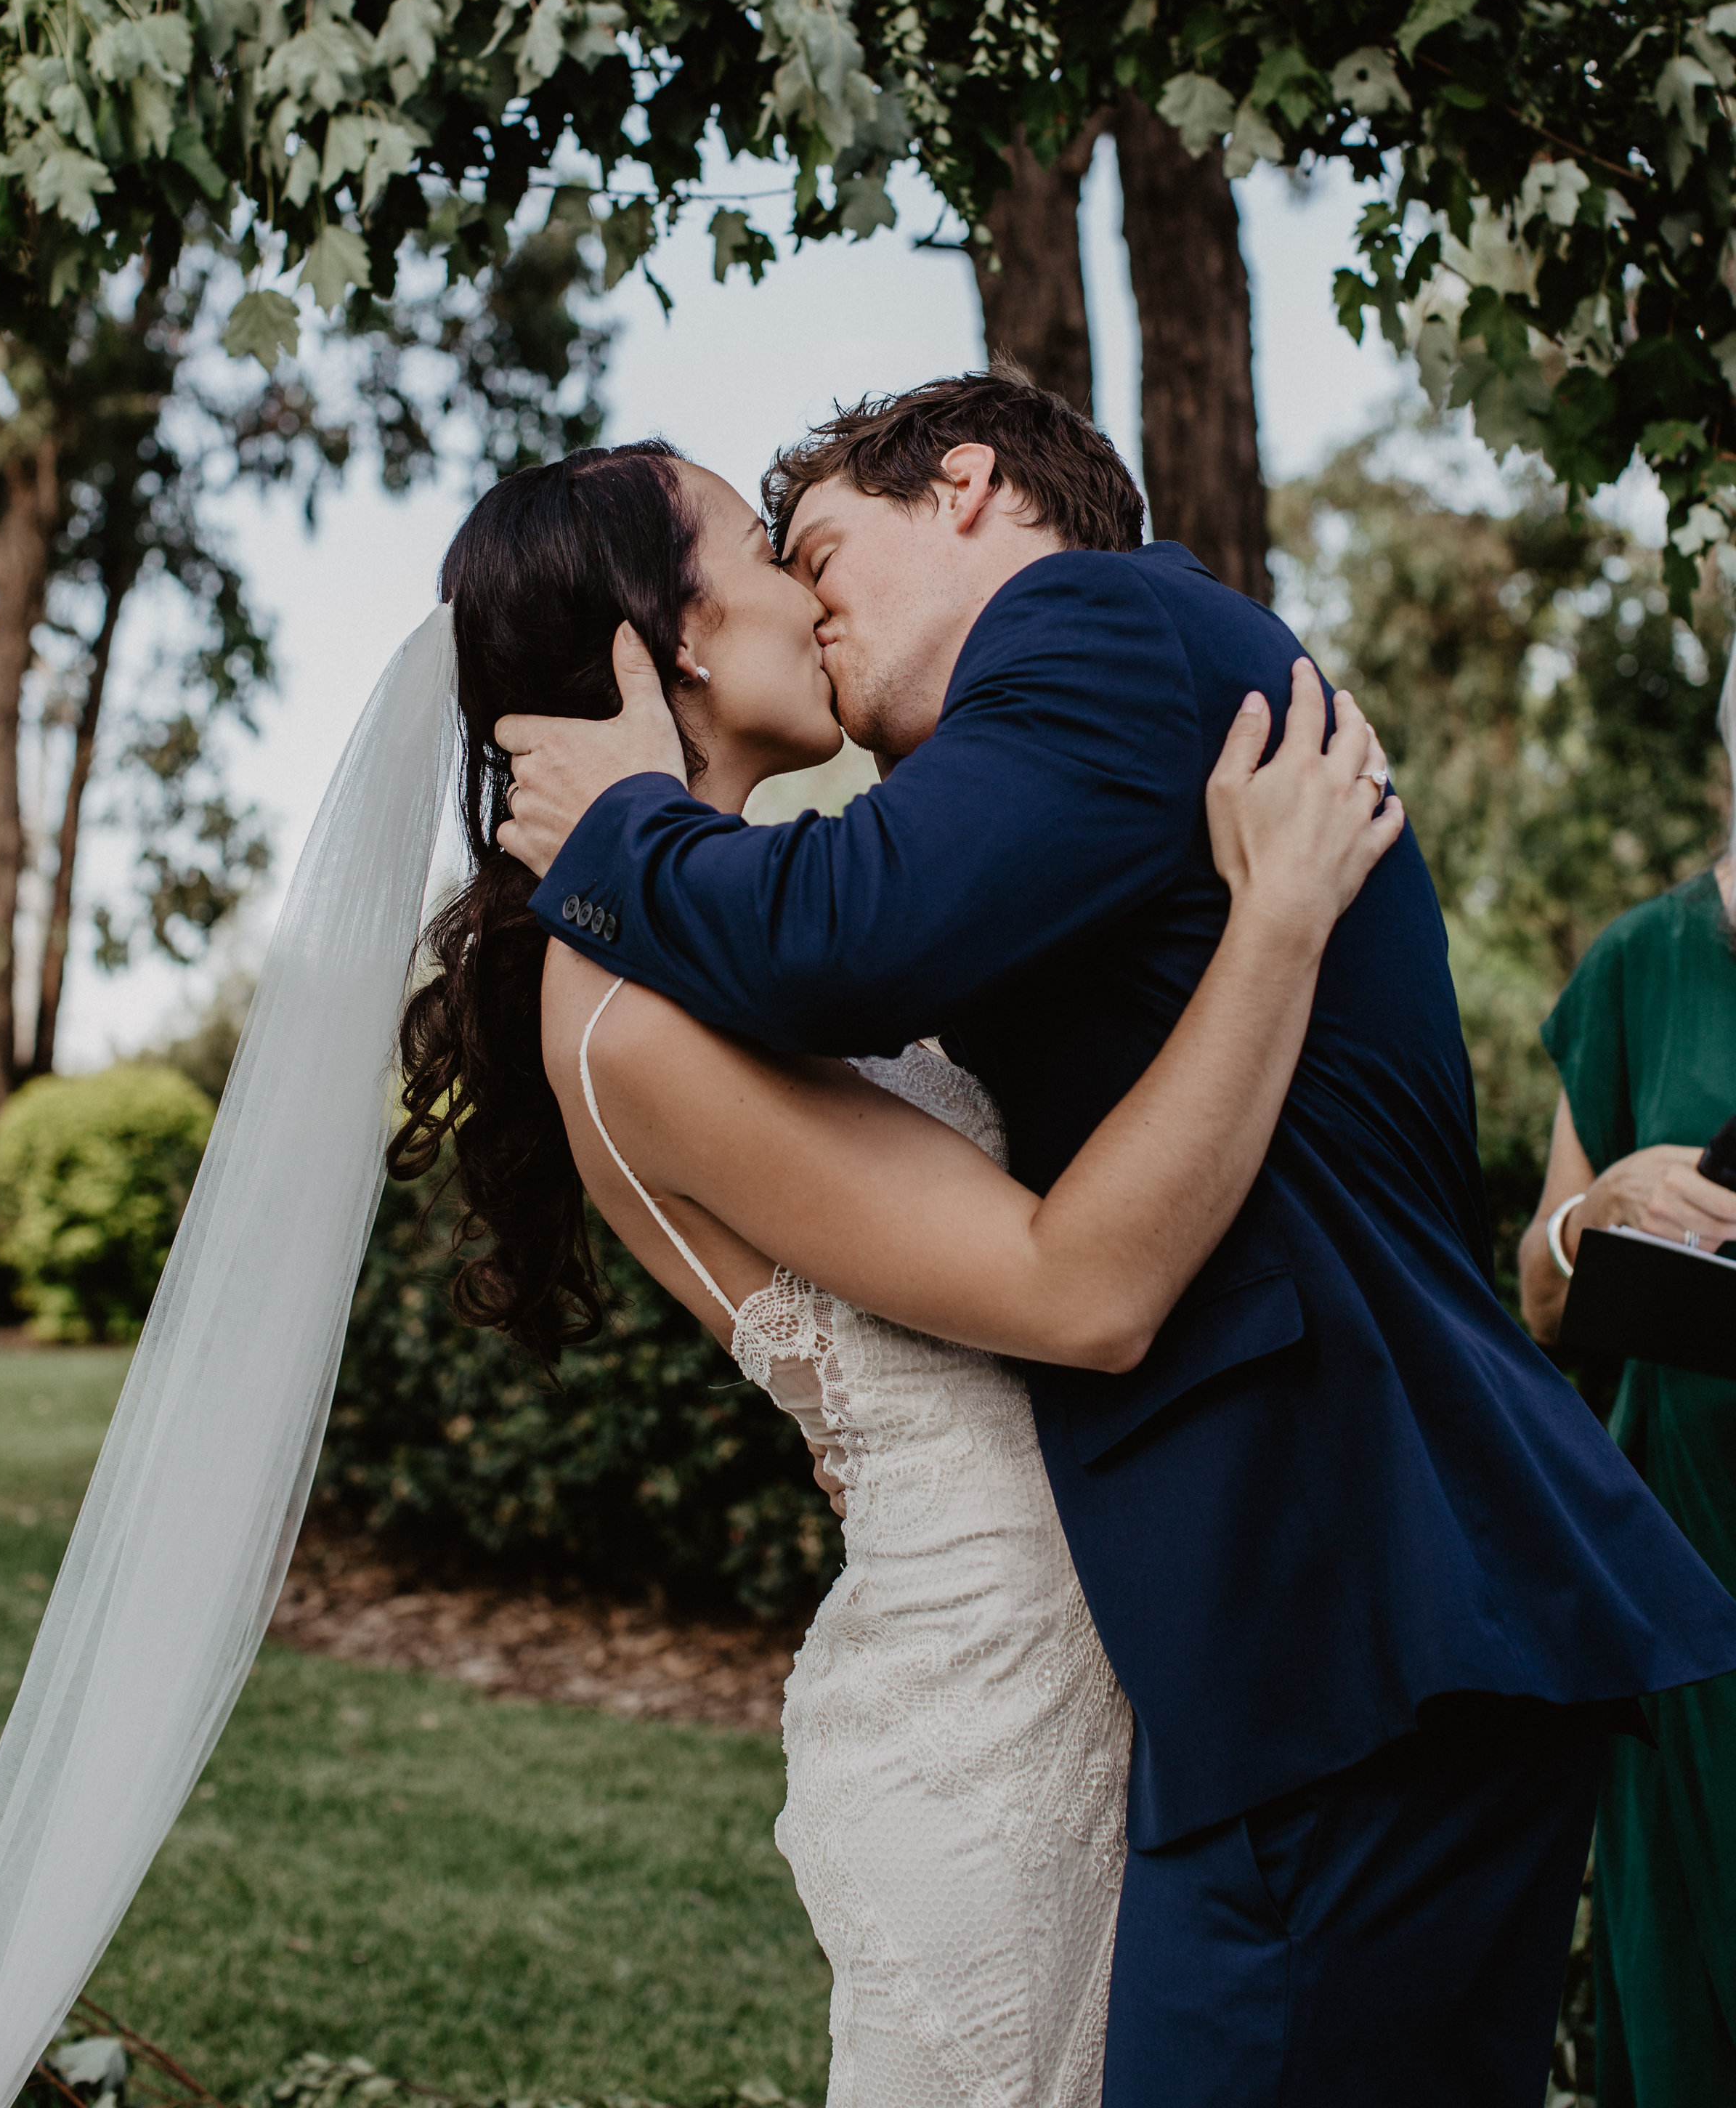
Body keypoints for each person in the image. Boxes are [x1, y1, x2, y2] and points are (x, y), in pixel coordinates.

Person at [496, 369, 1736, 2108]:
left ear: (977, 491)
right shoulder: (1058, 792)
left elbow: (844, 938)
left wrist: (623, 825)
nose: (807, 594)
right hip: (1281, 1636)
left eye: (828, 545)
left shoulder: (1094, 627)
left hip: (1344, 1591)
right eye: (770, 558)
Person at [391, 437, 1403, 2108]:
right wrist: (1275, 926)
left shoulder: (756, 942)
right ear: (681, 636)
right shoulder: (634, 1019)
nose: (811, 583)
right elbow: (1081, 1291)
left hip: (1095, 1679)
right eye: (759, 544)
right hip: (990, 1730)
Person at [1518, 636, 1736, 2107]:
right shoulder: (1642, 963)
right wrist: (1599, 1213)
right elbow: (1536, 1298)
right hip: (1690, 1557)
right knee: (1687, 1985)